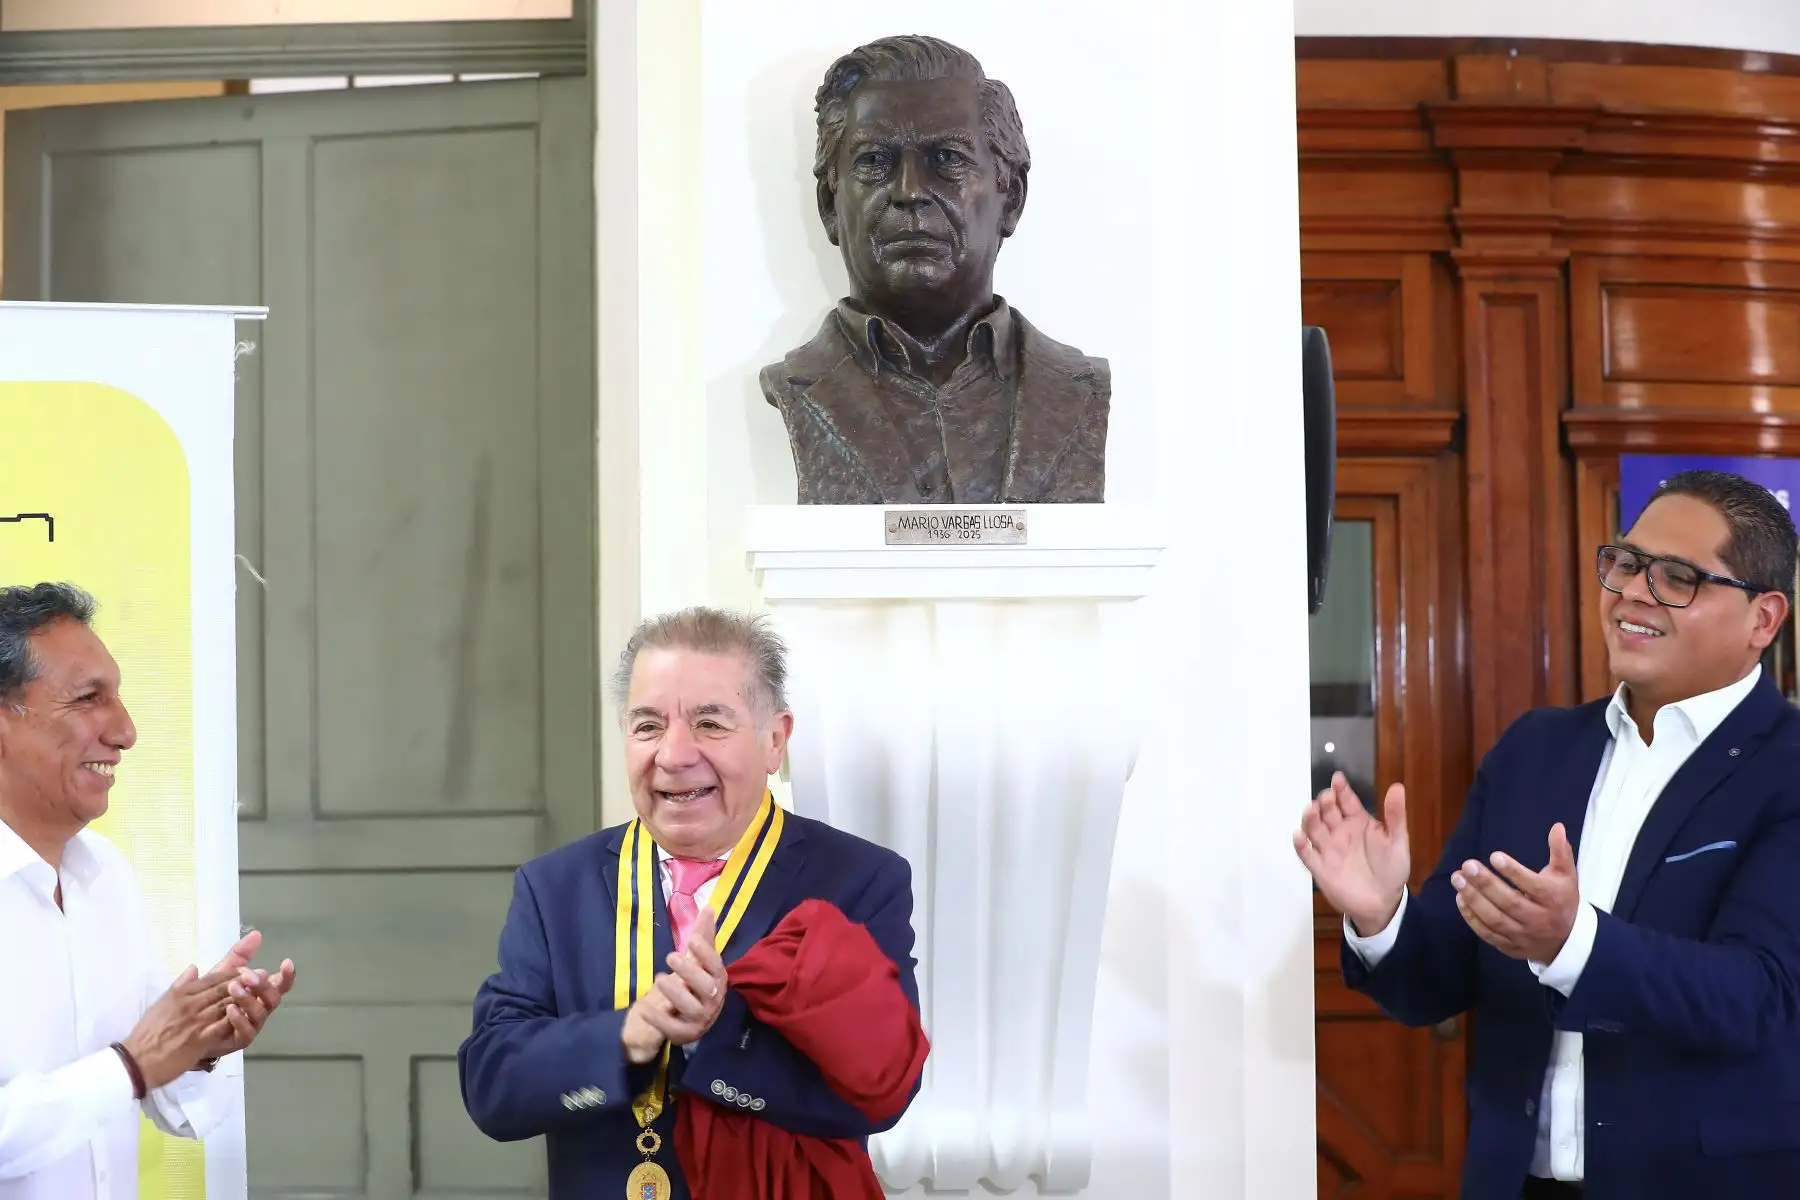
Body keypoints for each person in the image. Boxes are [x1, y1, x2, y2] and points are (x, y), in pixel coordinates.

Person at [1296, 469, 1800, 1200]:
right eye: (1625, 563)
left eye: (1677, 578)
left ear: (1764, 618)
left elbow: (1758, 997)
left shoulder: (1786, 768)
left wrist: (1573, 945)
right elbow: (1437, 982)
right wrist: (1382, 916)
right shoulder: (1536, 749)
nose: (1631, 592)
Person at [458, 607, 923, 1198]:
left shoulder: (857, 879)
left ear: (774, 740)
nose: (674, 755)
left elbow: (881, 1094)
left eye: (709, 723)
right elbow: (493, 1088)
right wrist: (627, 1035)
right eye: (648, 726)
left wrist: (714, 1035)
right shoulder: (554, 887)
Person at [0, 582, 296, 1200]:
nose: (126, 731)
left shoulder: (104, 876)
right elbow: (131, 1065)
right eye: (89, 699)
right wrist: (130, 1065)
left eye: (119, 698)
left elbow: (167, 1099)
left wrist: (201, 1042)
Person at [761, 34, 1111, 505]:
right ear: (829, 204)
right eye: (874, 162)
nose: (909, 191)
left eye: (947, 158)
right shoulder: (798, 386)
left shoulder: (1076, 389)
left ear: (1012, 198)